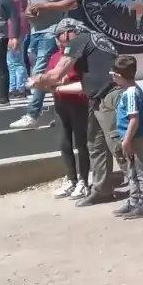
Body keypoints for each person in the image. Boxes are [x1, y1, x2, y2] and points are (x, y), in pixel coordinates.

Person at [28, 18, 119, 208]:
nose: (58, 39)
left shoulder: (79, 41)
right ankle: (99, 189)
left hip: (100, 98)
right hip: (94, 98)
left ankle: (138, 193)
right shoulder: (97, 39)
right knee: (95, 145)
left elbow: (56, 75)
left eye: (59, 35)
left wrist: (38, 81)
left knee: (114, 146)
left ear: (69, 32)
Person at [11, 0, 77, 129]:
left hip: (52, 32)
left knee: (39, 73)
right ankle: (61, 113)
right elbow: (31, 7)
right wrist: (29, 13)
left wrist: (46, 5)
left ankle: (33, 114)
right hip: (35, 32)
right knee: (48, 75)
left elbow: (72, 2)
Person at [46, 43, 90, 201]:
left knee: (81, 143)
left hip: (78, 104)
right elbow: (49, 78)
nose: (62, 41)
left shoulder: (80, 57)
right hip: (60, 104)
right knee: (64, 143)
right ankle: (71, 179)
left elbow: (84, 81)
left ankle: (83, 181)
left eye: (66, 36)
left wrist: (66, 81)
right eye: (59, 37)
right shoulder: (54, 57)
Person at [111, 55, 143, 220]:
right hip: (130, 138)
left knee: (140, 172)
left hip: (136, 139)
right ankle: (133, 200)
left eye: (113, 75)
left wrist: (127, 141)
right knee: (132, 171)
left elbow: (134, 119)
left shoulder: (131, 93)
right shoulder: (130, 91)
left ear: (119, 76)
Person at [0, 0, 30, 98]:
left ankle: (20, 87)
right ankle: (15, 86)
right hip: (20, 22)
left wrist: (13, 35)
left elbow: (14, 12)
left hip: (16, 25)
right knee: (14, 58)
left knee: (15, 59)